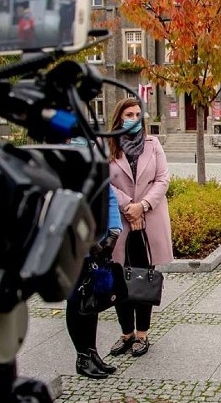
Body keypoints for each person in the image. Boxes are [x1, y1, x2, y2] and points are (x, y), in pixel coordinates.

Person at [107, 98, 173, 358]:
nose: (134, 118)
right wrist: (128, 206)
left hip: (149, 219)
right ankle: (126, 333)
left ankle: (142, 334)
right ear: (119, 117)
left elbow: (163, 178)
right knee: (119, 277)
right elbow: (102, 182)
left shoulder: (152, 144)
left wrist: (142, 205)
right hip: (120, 220)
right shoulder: (109, 146)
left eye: (137, 114)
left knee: (145, 275)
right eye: (129, 114)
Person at [66, 177, 121, 379]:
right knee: (76, 299)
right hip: (72, 246)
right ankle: (82, 357)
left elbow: (110, 196)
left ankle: (92, 352)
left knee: (92, 298)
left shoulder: (93, 161)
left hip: (97, 244)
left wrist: (113, 232)